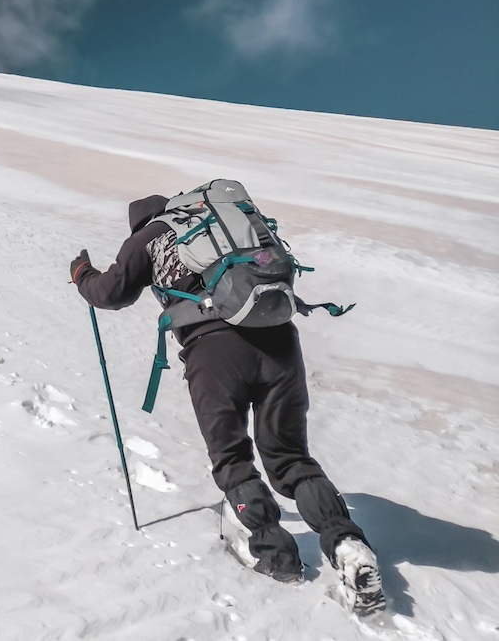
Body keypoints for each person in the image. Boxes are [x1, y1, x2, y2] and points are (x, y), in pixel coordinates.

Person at [69, 193, 385, 613]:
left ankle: (275, 556)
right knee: (291, 458)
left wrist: (81, 273)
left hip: (213, 352)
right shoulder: (227, 220)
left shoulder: (148, 237)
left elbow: (110, 293)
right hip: (280, 344)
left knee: (232, 457)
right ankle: (346, 543)